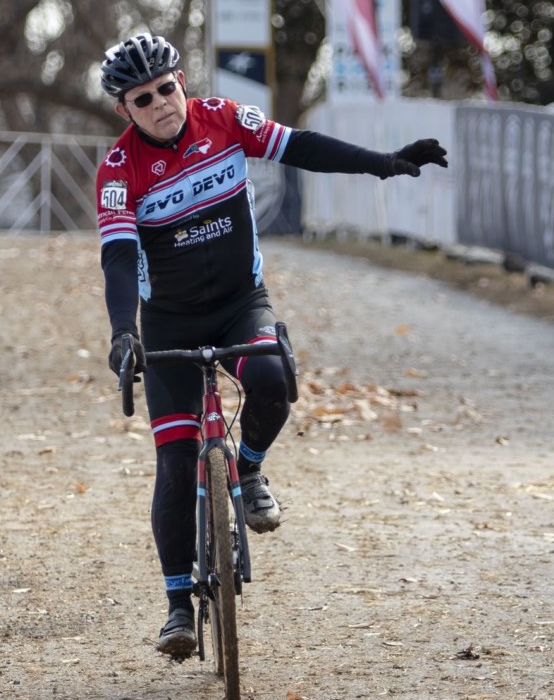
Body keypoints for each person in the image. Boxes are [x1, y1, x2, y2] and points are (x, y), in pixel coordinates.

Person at [95, 33, 448, 660]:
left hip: (238, 304)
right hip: (170, 322)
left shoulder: (225, 120)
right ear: (125, 110)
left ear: (182, 81)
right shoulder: (119, 171)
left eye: (166, 89)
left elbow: (302, 147)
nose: (159, 105)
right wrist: (124, 331)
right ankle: (178, 606)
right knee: (176, 464)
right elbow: (119, 259)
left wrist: (384, 161)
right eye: (142, 99)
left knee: (271, 377)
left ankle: (250, 466)